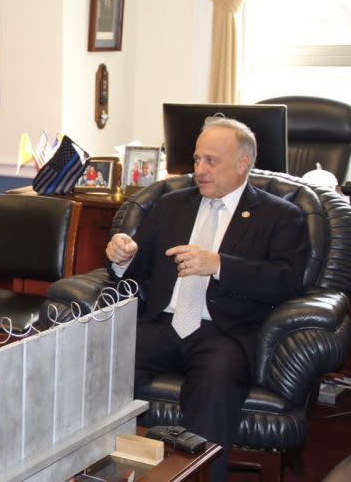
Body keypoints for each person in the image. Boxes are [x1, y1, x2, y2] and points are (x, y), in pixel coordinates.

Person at [104, 117, 307, 482]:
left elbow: (288, 281)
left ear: (243, 163)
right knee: (104, 363)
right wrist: (123, 257)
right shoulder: (170, 205)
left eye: (211, 161)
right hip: (163, 325)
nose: (199, 170)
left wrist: (219, 265)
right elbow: (139, 267)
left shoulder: (281, 216)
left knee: (214, 386)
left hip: (224, 333)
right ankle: (103, 471)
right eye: (197, 160)